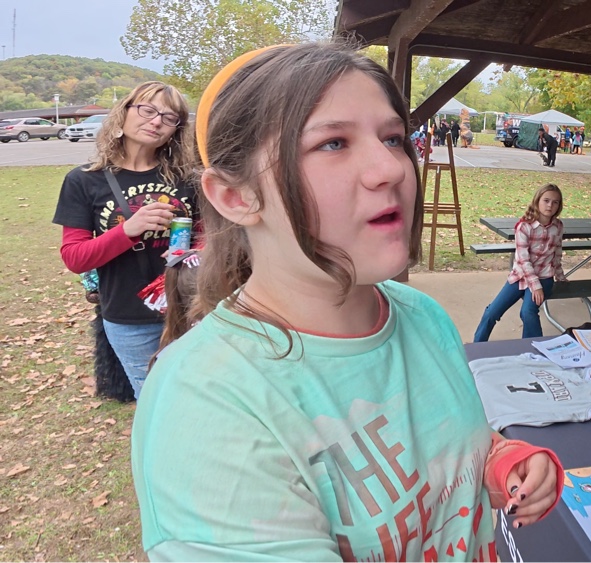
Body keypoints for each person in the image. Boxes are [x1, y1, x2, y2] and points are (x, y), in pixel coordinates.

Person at [131, 42, 562, 561]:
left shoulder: (421, 315)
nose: (392, 168)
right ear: (236, 197)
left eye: (393, 138)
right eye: (333, 143)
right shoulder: (207, 408)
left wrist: (502, 461)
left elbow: (443, 449)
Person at [52, 81, 198, 400]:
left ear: (175, 130)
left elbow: (211, 238)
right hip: (129, 318)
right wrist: (128, 230)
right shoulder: (83, 180)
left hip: (191, 311)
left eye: (169, 117)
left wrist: (195, 250)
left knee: (201, 396)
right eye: (147, 110)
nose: (156, 121)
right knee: (155, 401)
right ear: (124, 113)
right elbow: (75, 257)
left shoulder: (188, 179)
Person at [474, 184, 566, 342]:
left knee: (528, 312)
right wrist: (534, 285)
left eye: (555, 202)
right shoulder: (524, 226)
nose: (550, 205)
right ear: (537, 201)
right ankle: (476, 347)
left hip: (544, 278)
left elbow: (557, 254)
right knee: (492, 312)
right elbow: (523, 259)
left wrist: (560, 276)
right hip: (521, 276)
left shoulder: (557, 227)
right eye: (546, 200)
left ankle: (533, 349)